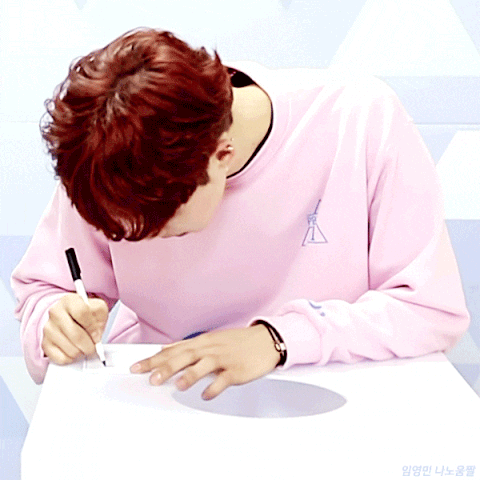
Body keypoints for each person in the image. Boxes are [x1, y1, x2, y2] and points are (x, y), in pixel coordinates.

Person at [11, 28, 470, 399]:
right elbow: (45, 291)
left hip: (327, 403)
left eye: (160, 228)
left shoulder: (360, 119)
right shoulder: (106, 153)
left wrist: (277, 339)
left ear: (222, 154)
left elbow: (428, 309)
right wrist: (54, 321)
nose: (136, 238)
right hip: (158, 402)